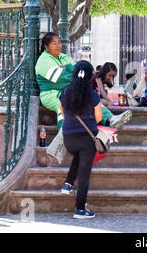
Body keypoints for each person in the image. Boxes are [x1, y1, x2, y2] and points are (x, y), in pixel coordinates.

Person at [35, 32, 132, 130]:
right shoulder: (43, 60)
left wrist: (66, 68)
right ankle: (63, 134)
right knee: (63, 104)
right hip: (51, 93)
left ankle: (111, 119)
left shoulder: (64, 57)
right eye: (54, 43)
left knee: (92, 99)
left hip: (70, 90)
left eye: (59, 42)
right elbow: (60, 78)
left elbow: (80, 72)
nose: (58, 46)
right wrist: (70, 69)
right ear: (46, 47)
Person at [59, 60, 100, 219]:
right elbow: (98, 117)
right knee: (84, 174)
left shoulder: (65, 91)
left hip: (68, 137)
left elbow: (62, 112)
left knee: (78, 156)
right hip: (87, 138)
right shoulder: (93, 94)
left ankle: (68, 184)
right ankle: (80, 209)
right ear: (90, 76)